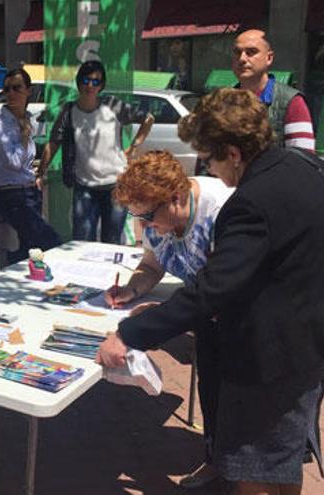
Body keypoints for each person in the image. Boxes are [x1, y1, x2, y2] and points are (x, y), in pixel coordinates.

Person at [97, 88, 324, 495]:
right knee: (282, 459)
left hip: (273, 352)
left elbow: (212, 289)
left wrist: (130, 334)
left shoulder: (249, 202)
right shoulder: (305, 165)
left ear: (232, 152)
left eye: (210, 160)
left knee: (255, 467)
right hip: (315, 336)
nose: (211, 171)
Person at [105, 150, 234, 488]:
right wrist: (133, 289)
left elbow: (223, 290)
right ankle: (216, 462)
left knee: (237, 399)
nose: (145, 226)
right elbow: (152, 265)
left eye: (147, 216)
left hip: (243, 319)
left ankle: (235, 472)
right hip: (206, 314)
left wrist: (155, 321)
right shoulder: (155, 216)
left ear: (175, 197)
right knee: (211, 388)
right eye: (137, 217)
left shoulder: (223, 211)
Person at [40, 60, 154, 243]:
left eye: (96, 81)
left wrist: (134, 146)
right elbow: (54, 142)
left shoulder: (112, 105)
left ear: (101, 85)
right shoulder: (69, 111)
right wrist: (40, 172)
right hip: (84, 188)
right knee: (83, 242)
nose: (90, 85)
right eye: (86, 80)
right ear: (79, 82)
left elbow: (148, 119)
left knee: (112, 241)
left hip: (116, 186)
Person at [0, 67, 61, 261]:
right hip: (12, 195)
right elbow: (13, 162)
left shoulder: (26, 119)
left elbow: (27, 160)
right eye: (7, 89)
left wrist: (36, 176)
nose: (11, 93)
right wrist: (24, 137)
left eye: (16, 88)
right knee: (51, 243)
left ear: (28, 90)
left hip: (29, 190)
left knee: (29, 251)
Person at [233, 29, 314, 151]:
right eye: (237, 52)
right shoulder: (224, 101)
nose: (242, 59)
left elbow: (303, 159)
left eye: (251, 52)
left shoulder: (291, 102)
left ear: (269, 58)